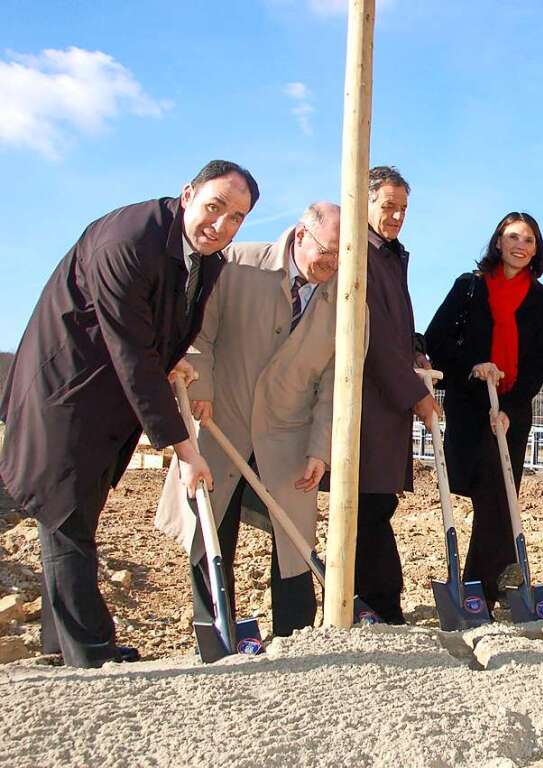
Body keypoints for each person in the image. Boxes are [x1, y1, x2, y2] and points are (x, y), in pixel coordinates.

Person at [0, 160, 259, 667]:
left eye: (237, 218)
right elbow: (131, 353)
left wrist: (175, 357)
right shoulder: (127, 240)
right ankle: (91, 654)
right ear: (187, 194)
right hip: (66, 395)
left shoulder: (206, 259)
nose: (222, 225)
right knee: (66, 519)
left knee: (75, 518)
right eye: (215, 207)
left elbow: (158, 330)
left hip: (107, 401)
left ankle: (64, 648)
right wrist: (185, 449)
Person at [156, 202, 341, 637]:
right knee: (212, 533)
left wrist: (320, 448)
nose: (333, 265)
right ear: (301, 235)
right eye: (328, 252)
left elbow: (337, 387)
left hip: (289, 438)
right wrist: (201, 391)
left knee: (295, 544)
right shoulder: (238, 265)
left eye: (343, 256)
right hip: (223, 421)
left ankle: (295, 638)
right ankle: (217, 629)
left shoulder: (347, 304)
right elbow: (198, 332)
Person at [424, 212, 543, 610]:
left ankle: (481, 588)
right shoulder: (469, 287)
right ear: (498, 242)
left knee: (500, 499)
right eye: (513, 236)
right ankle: (487, 584)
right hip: (470, 406)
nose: (520, 245)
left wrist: (512, 410)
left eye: (529, 240)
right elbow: (437, 338)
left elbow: (538, 364)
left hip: (511, 413)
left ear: (537, 249)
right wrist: (473, 364)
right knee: (482, 495)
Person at [356, 166, 439, 624]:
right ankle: (379, 604)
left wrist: (418, 349)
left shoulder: (390, 255)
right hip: (368, 400)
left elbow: (398, 326)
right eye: (388, 206)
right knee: (369, 503)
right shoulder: (360, 254)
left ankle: (375, 601)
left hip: (387, 401)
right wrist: (416, 395)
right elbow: (374, 338)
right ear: (364, 202)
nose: (397, 216)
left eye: (403, 208)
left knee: (378, 500)